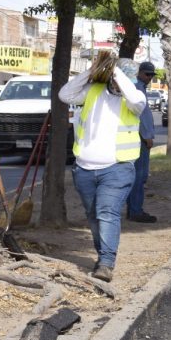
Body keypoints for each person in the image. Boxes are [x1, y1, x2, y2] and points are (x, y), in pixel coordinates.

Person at [59, 51, 146, 283]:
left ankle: (107, 263)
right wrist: (93, 70)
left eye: (122, 81)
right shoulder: (93, 91)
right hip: (84, 169)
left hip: (117, 169)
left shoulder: (135, 98)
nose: (117, 85)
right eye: (114, 78)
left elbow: (136, 101)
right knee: (93, 215)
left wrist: (118, 72)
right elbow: (65, 94)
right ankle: (102, 256)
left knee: (107, 212)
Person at [126, 61, 157, 223]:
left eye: (151, 75)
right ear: (139, 73)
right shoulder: (138, 89)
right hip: (141, 139)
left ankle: (133, 209)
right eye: (147, 74)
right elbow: (141, 117)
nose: (150, 78)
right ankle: (135, 210)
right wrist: (147, 136)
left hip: (138, 137)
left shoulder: (138, 88)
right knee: (140, 175)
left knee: (137, 176)